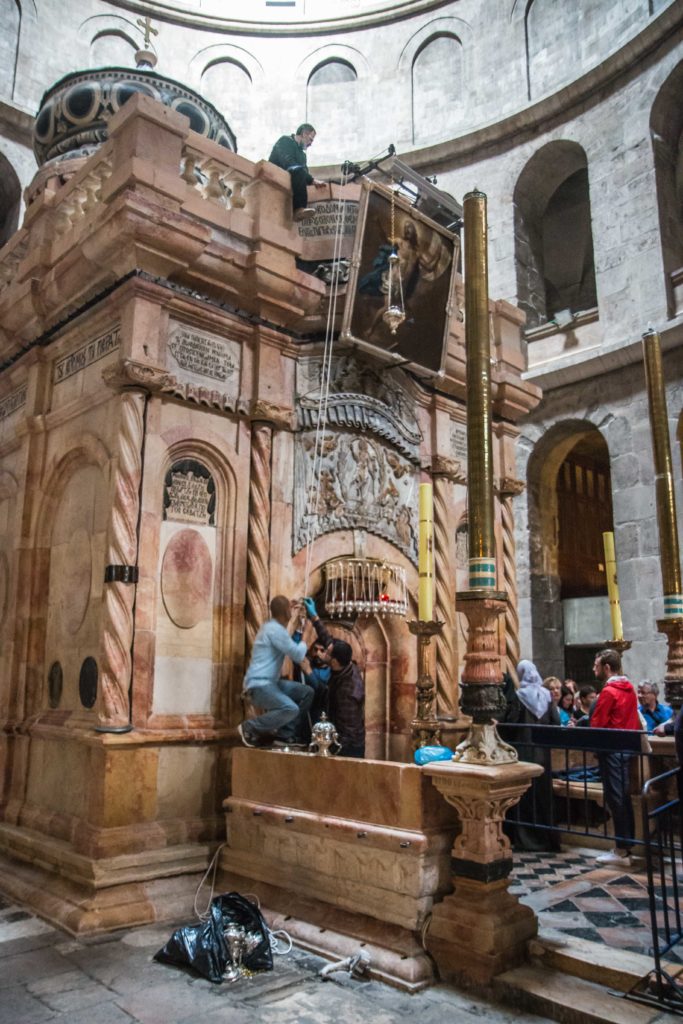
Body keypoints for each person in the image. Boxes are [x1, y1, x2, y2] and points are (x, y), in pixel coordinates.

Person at [238, 595, 313, 747]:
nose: (291, 613)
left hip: (271, 683)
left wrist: (291, 615)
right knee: (290, 708)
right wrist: (306, 634)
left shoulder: (275, 628)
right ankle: (249, 727)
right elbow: (298, 655)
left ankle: (285, 734)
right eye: (289, 610)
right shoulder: (274, 631)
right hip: (259, 686)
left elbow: (287, 638)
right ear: (286, 612)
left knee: (307, 692)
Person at [502, 659, 561, 852]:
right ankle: (546, 838)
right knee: (543, 798)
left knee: (525, 798)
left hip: (523, 753)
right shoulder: (547, 696)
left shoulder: (519, 697)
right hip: (543, 755)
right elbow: (555, 724)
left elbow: (510, 724)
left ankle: (526, 839)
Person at [590, 648, 641, 866]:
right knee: (623, 796)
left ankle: (621, 849)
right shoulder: (629, 689)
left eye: (596, 665)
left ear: (607, 667)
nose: (594, 668)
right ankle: (626, 844)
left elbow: (597, 724)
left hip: (611, 749)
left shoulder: (609, 692)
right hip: (626, 748)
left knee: (616, 797)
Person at [303, 598, 365, 757]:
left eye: (326, 653)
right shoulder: (343, 664)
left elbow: (347, 730)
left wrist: (333, 752)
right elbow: (327, 639)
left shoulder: (348, 691)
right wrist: (314, 615)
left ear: (335, 661)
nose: (322, 653)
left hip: (349, 747)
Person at [268, 123, 326, 221]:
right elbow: (289, 163)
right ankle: (298, 209)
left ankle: (301, 209)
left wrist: (312, 181)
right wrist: (311, 180)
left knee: (300, 172)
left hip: (291, 182)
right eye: (311, 139)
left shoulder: (303, 156)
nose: (311, 144)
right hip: (274, 178)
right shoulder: (285, 141)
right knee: (298, 170)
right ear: (304, 134)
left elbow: (304, 173)